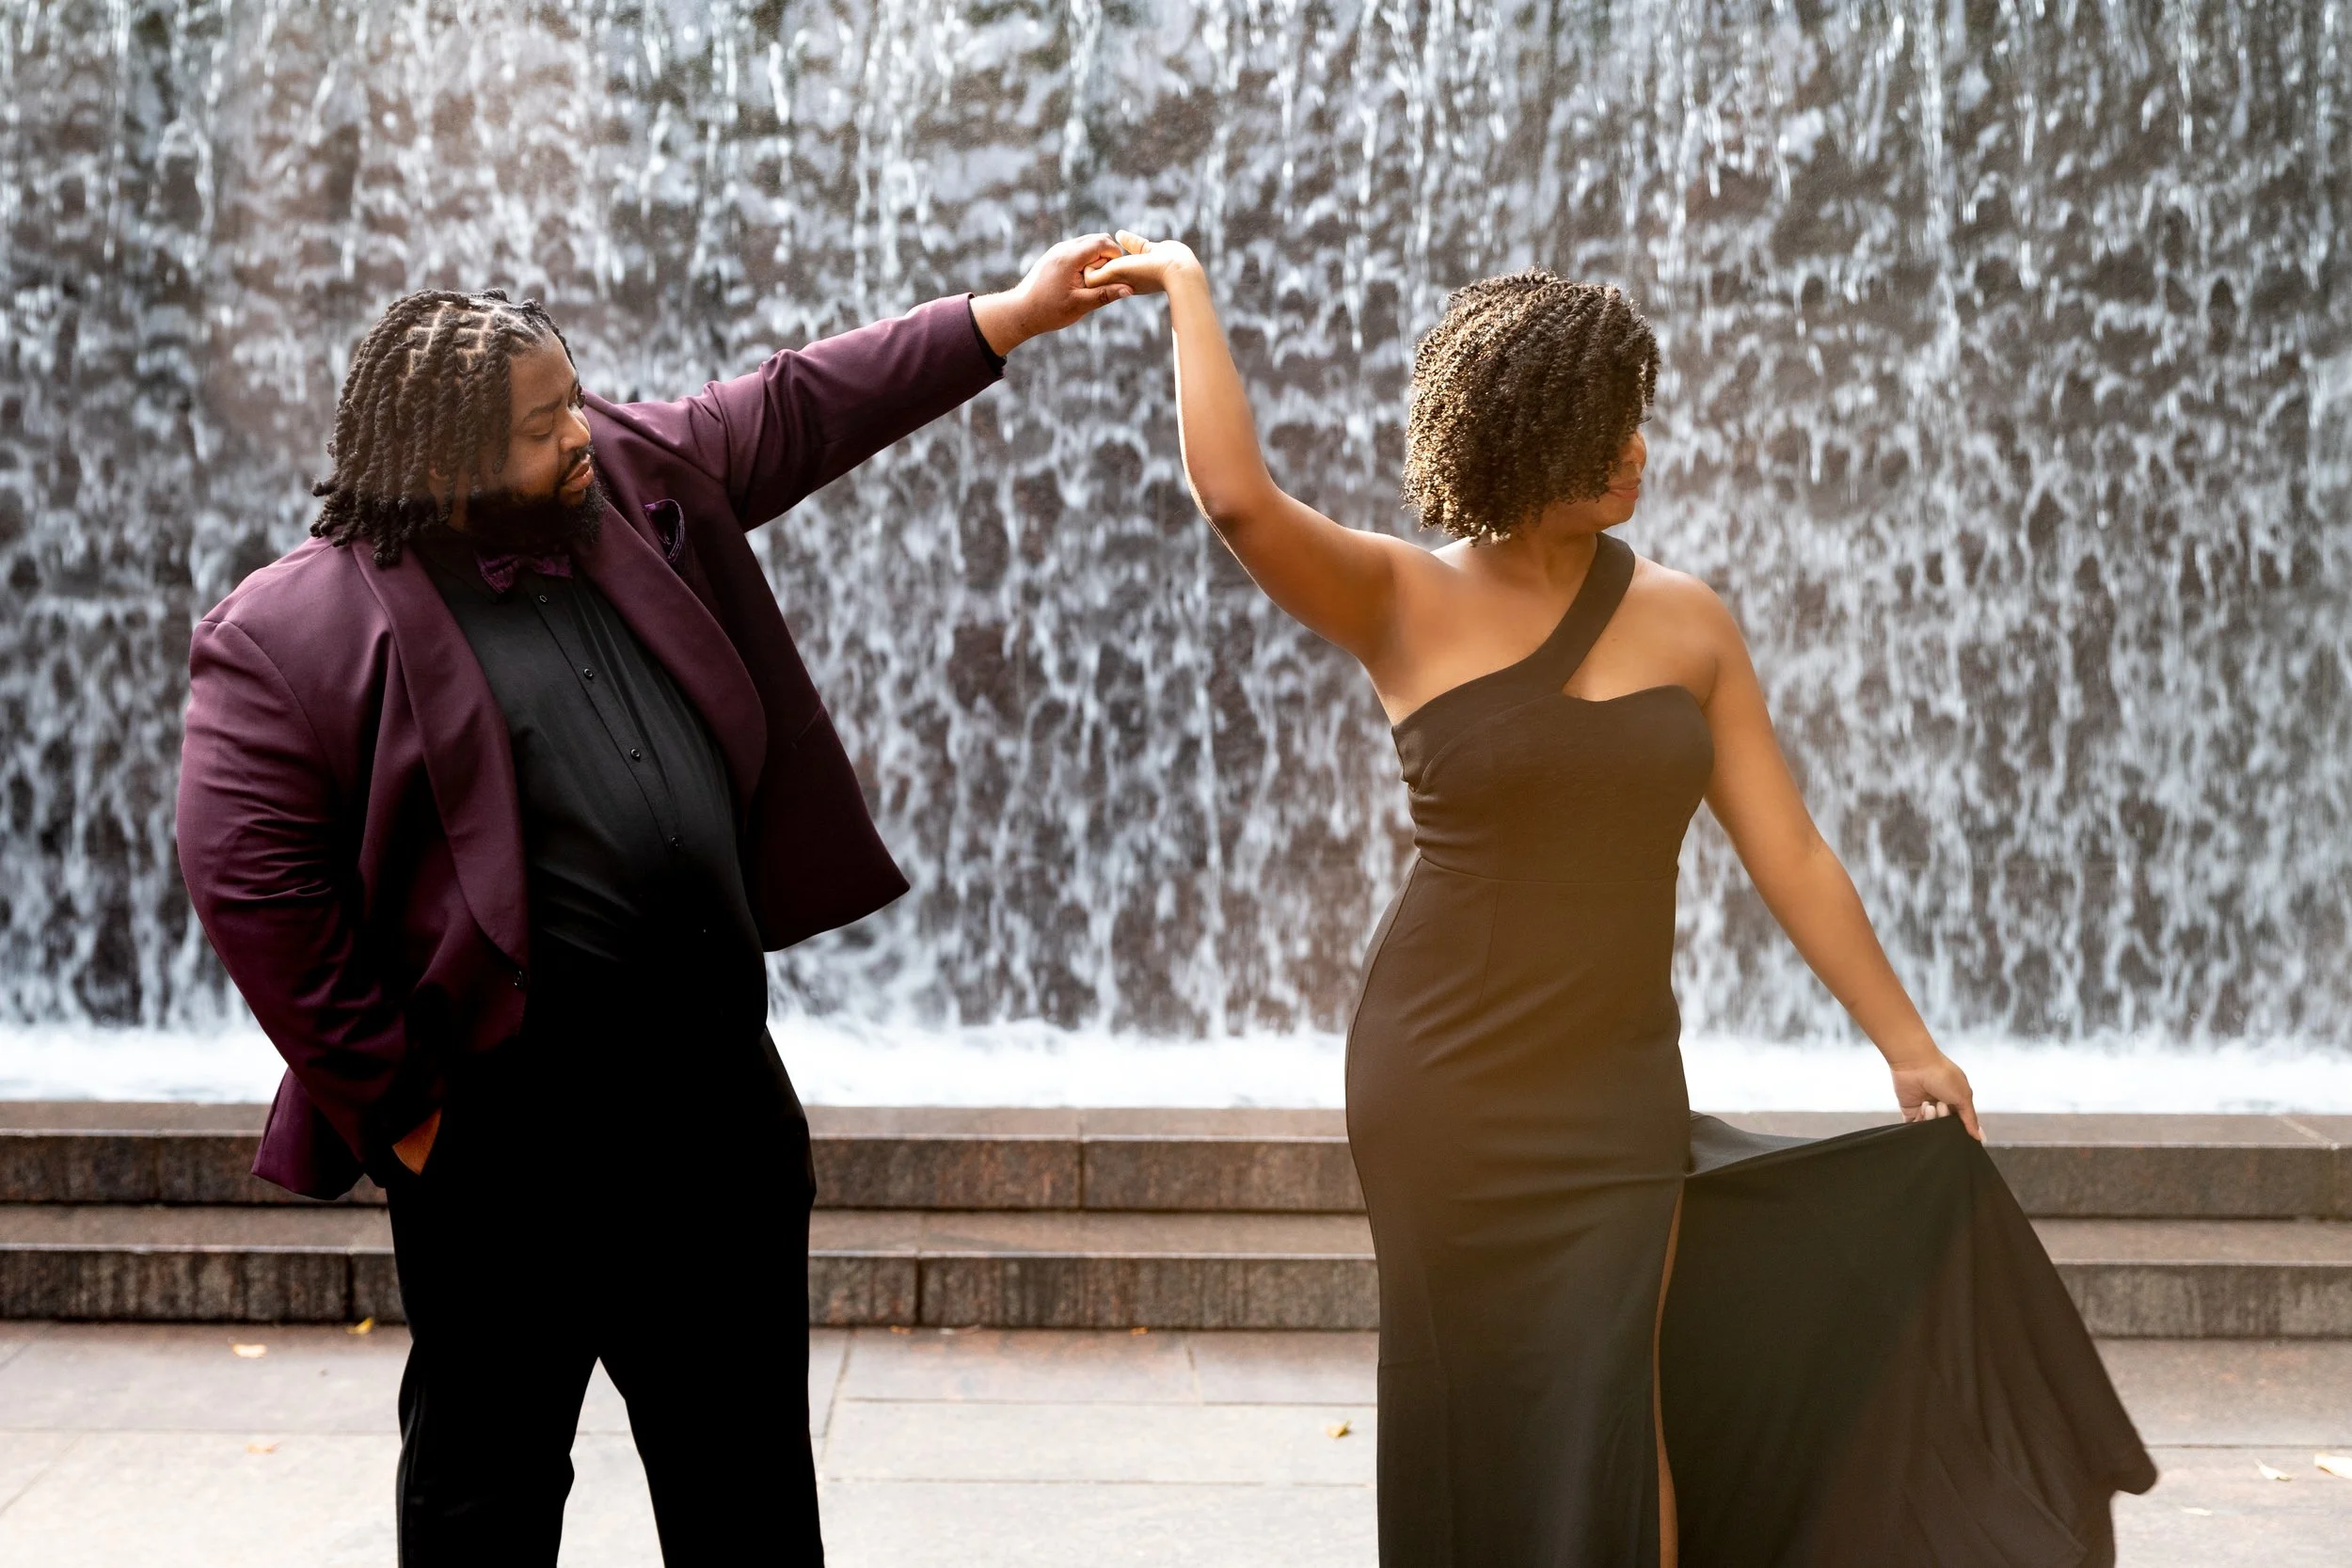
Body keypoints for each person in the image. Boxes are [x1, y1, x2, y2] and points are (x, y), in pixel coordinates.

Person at [1084, 232, 2156, 1566]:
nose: (1640, 450)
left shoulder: (1689, 620)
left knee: (1612, 1405)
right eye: (1608, 429)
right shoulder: (1399, 594)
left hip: (1614, 1084)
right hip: (1444, 1082)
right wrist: (1186, 288)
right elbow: (1239, 500)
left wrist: (1908, 1042)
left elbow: (1791, 851)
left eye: (1639, 418)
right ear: (1529, 437)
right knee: (1477, 1410)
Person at [174, 238, 1134, 1564]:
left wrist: (1006, 317)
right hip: (505, 1141)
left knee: (749, 1501)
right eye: (541, 425)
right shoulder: (287, 631)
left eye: (574, 397)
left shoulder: (627, 478)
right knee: (485, 1501)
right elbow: (254, 888)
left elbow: (797, 404)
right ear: (444, 459)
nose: (580, 431)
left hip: (715, 1113)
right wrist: (407, 1112)